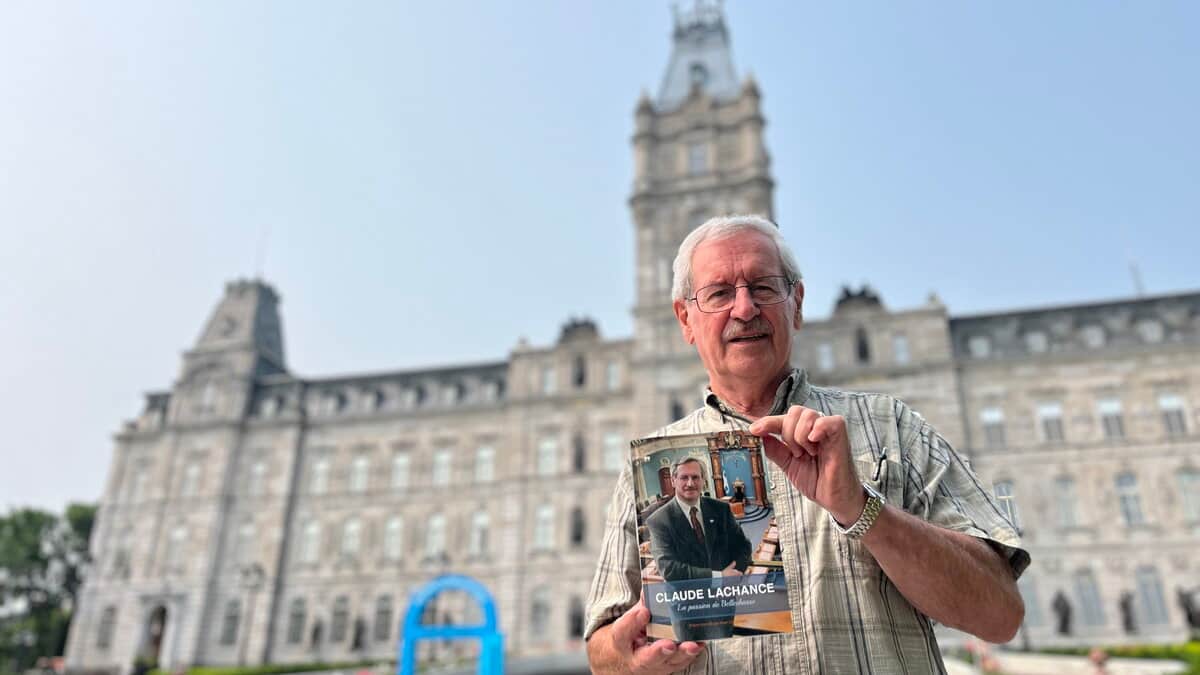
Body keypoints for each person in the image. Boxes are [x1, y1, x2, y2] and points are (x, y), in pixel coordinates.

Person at [585, 215, 1029, 674]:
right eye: (719, 293)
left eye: (763, 287)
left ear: (796, 304)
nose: (744, 309)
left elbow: (1001, 614)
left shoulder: (892, 427)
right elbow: (602, 653)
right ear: (686, 320)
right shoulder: (653, 464)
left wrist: (863, 511)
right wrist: (626, 659)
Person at [645, 457, 753, 640]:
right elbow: (669, 569)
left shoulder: (721, 509)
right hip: (687, 608)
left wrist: (734, 575)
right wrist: (719, 577)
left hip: (722, 602)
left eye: (695, 477)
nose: (690, 483)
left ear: (703, 480)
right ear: (673, 480)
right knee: (693, 659)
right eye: (684, 477)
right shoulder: (658, 520)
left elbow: (743, 546)